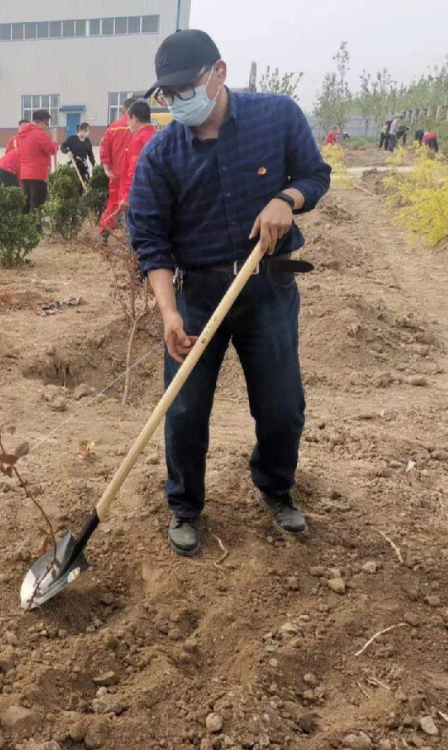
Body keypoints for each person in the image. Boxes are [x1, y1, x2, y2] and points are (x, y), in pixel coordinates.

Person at [128, 30, 331, 557]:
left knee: (281, 403)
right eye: (167, 95)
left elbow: (315, 174)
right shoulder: (160, 155)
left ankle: (275, 487)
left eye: (185, 88)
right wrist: (169, 312)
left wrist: (287, 199)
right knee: (185, 408)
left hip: (268, 285)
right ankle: (185, 507)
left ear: (218, 72)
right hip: (196, 293)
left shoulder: (276, 117)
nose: (177, 102)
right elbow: (149, 239)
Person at [99, 97, 134, 235]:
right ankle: (131, 235)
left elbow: (104, 149)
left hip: (116, 172)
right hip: (134, 172)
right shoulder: (141, 127)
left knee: (113, 202)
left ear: (123, 110)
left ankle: (104, 231)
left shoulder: (114, 126)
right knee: (134, 202)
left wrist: (106, 169)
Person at [113, 101, 156, 216]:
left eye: (128, 119)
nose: (127, 123)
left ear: (135, 119)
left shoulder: (137, 140)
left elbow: (134, 171)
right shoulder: (156, 137)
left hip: (137, 201)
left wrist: (126, 197)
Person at [17, 109, 58, 213]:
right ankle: (35, 228)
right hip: (38, 174)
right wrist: (55, 139)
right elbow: (52, 150)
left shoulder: (21, 134)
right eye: (46, 123)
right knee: (37, 205)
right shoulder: (38, 134)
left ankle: (25, 226)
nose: (46, 127)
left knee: (26, 204)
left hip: (25, 174)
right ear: (42, 121)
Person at [0, 119, 27, 189]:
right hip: (8, 169)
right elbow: (8, 156)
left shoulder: (27, 142)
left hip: (0, 166)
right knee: (13, 193)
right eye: (22, 127)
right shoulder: (13, 139)